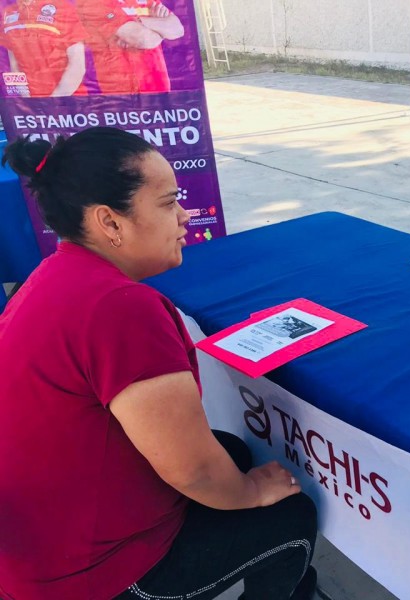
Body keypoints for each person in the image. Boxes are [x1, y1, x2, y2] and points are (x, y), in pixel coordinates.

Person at [0, 127, 317, 600]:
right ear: (110, 222)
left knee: (231, 452)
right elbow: (194, 473)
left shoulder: (52, 275)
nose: (185, 216)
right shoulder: (120, 308)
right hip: (88, 578)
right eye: (168, 203)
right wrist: (251, 493)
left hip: (40, 545)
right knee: (290, 514)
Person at [76, 0, 184, 94]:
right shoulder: (94, 3)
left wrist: (140, 21)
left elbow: (178, 29)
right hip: (121, 95)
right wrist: (162, 31)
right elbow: (144, 39)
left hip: (159, 91)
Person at [0, 0, 87, 96]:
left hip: (66, 98)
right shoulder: (8, 12)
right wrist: (26, 98)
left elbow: (78, 66)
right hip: (30, 100)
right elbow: (14, 64)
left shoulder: (62, 8)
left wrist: (54, 100)